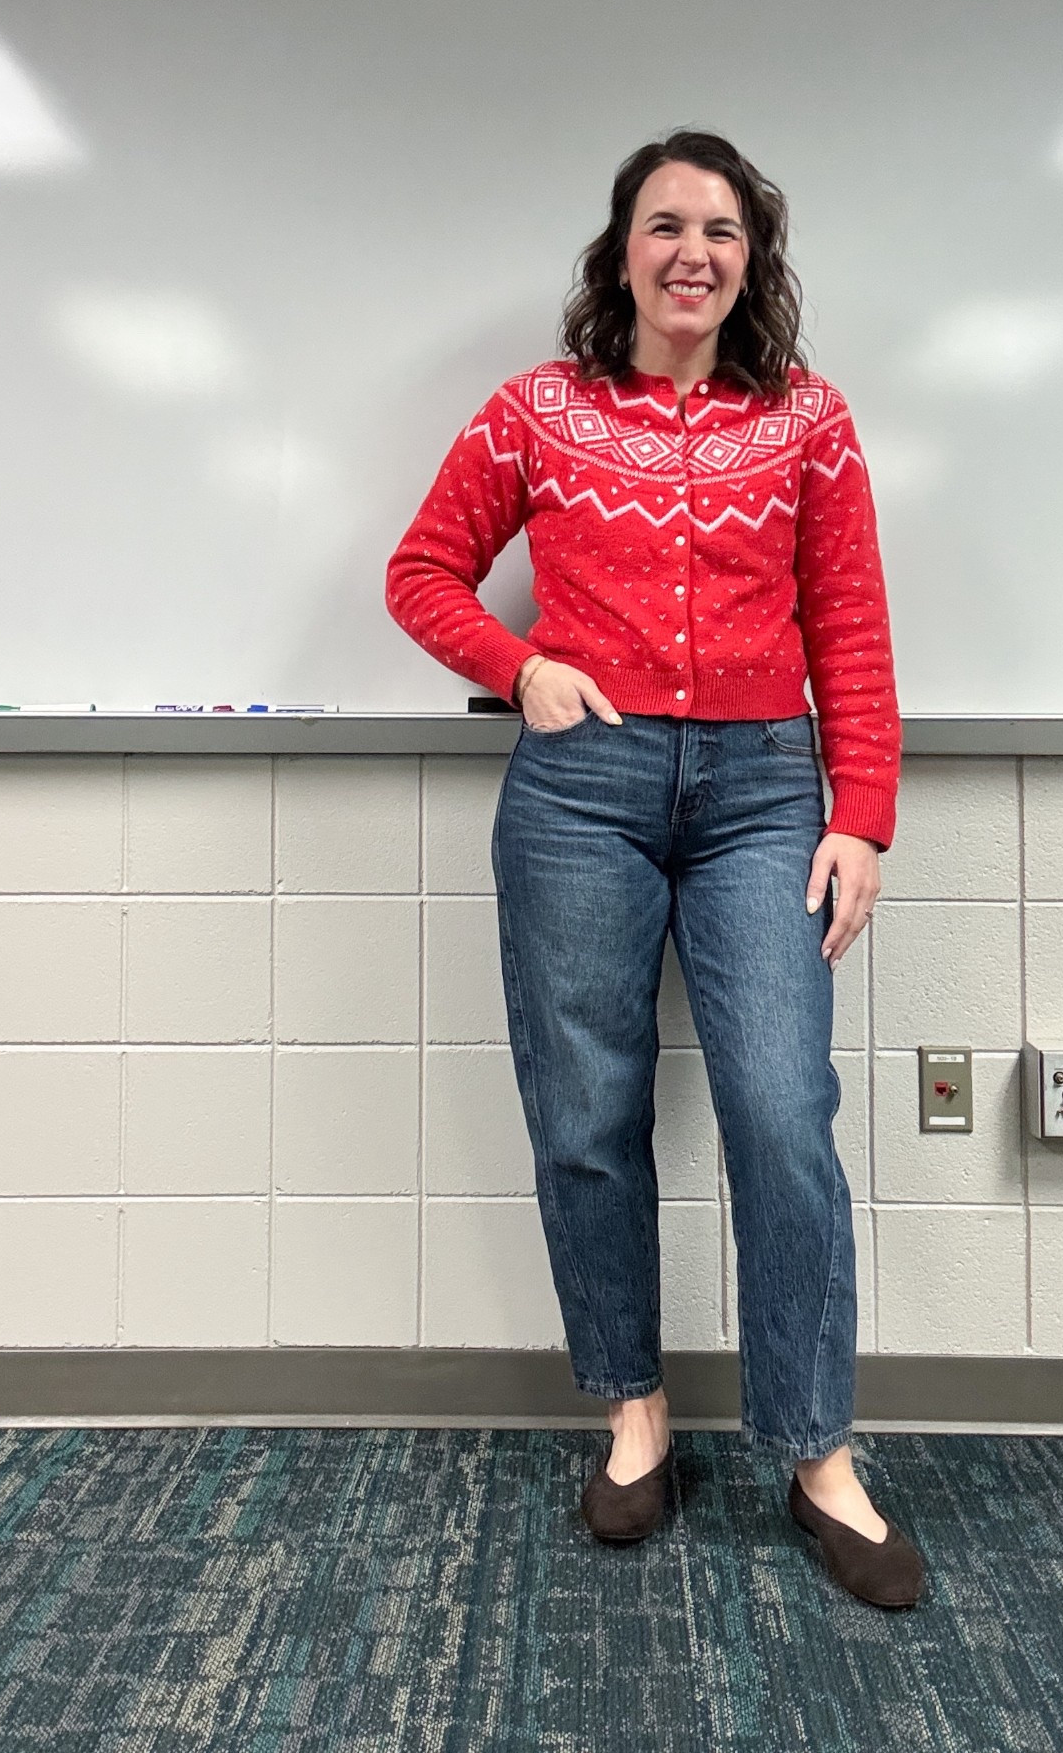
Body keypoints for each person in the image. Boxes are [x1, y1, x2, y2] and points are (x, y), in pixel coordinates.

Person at [385, 127, 924, 1610]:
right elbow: (421, 571)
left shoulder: (807, 421)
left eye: (726, 231)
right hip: (583, 792)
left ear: (754, 262)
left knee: (779, 1112)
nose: (696, 251)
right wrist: (519, 668)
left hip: (762, 791)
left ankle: (817, 1451)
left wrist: (859, 811)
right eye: (667, 223)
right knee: (585, 1112)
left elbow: (854, 628)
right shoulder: (536, 414)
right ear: (619, 248)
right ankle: (634, 1413)